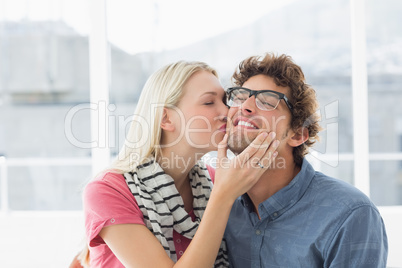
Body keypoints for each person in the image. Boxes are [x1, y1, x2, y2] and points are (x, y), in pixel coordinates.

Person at [79, 61, 280, 267]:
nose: (226, 112)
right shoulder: (107, 191)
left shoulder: (215, 179)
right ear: (166, 118)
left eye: (224, 100)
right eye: (209, 102)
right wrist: (223, 195)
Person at [223, 53, 388, 267]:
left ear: (297, 135)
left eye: (267, 101)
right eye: (239, 97)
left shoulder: (350, 215)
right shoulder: (220, 207)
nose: (244, 106)